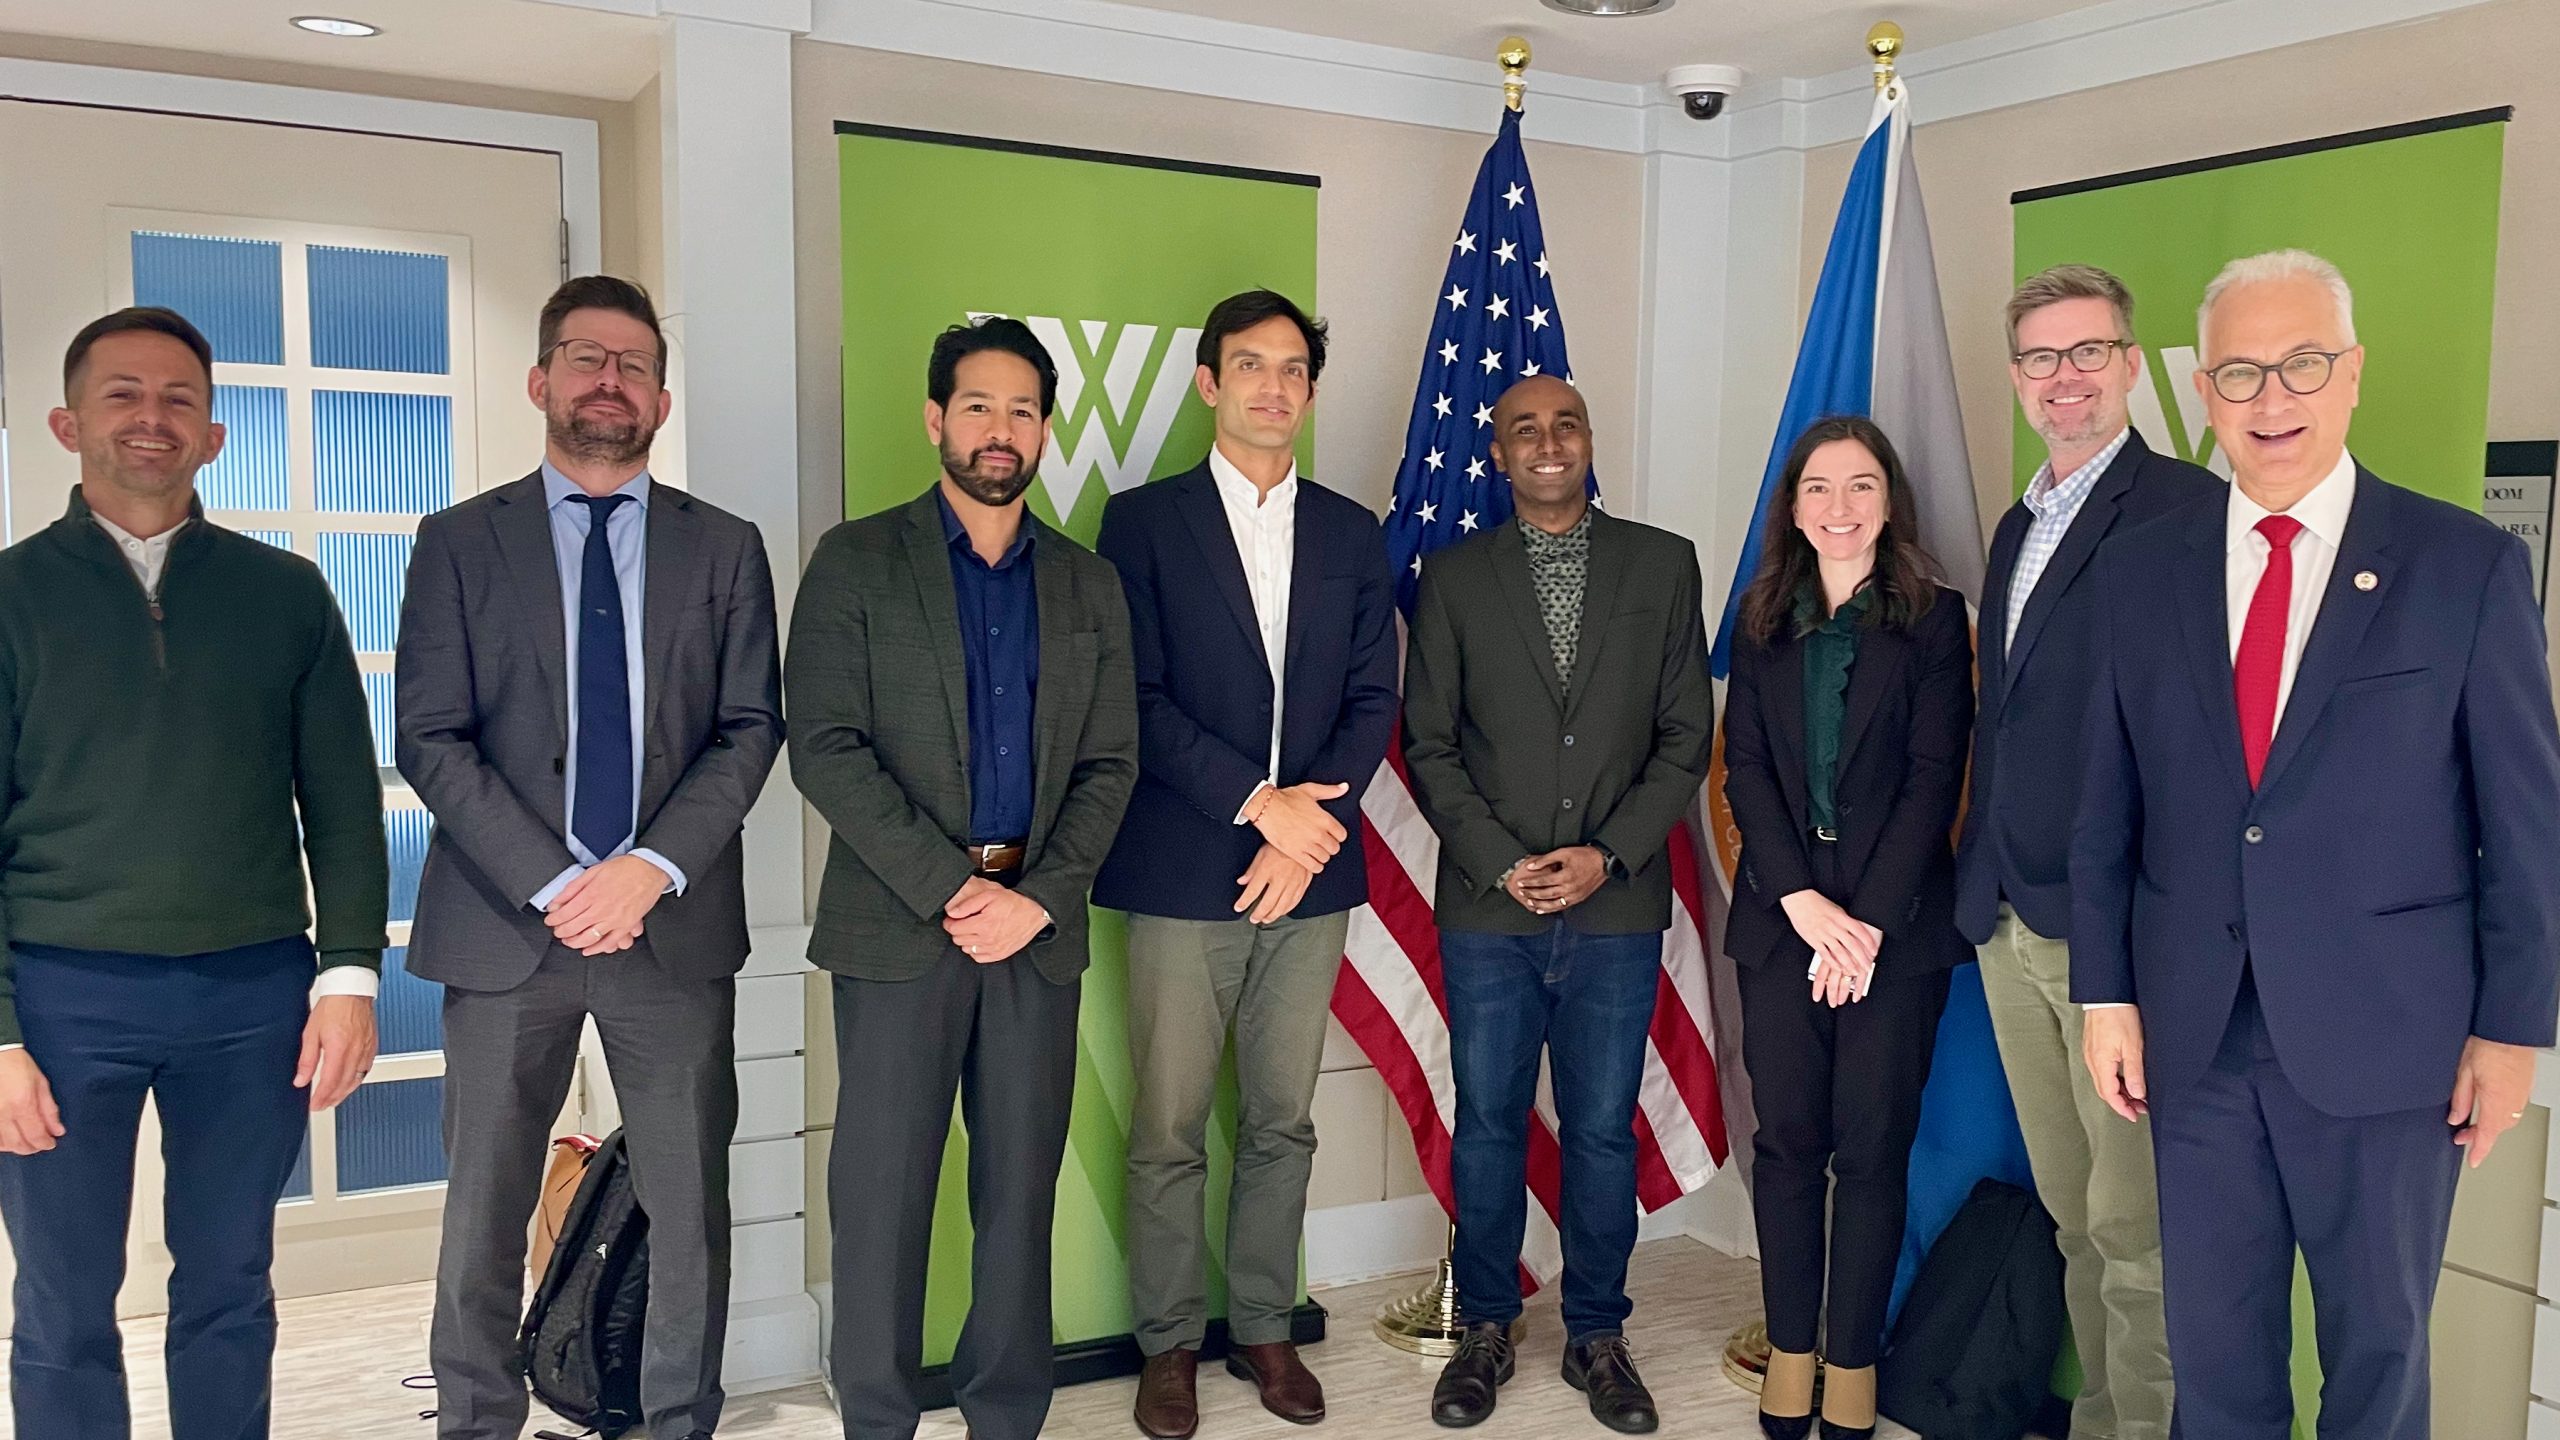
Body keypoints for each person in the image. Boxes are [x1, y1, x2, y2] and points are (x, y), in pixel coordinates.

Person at [2072, 249, 2560, 1439]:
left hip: (2389, 1042)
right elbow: (2104, 804)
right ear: (2204, 392)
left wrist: (2511, 1032)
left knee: (2377, 1355)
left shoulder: (2463, 567)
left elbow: (2526, 824)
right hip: (2193, 1035)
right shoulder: (2139, 571)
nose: (2269, 399)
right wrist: (2105, 995)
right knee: (2215, 1355)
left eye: (2300, 364)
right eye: (2237, 372)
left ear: (2351, 377)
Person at [398, 275, 783, 1440]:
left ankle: (676, 1421)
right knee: (482, 1212)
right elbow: (428, 733)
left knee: (688, 1210)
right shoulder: (460, 541)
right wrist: (561, 880)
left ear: (660, 397)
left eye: (632, 364)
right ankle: (476, 1419)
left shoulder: (723, 548)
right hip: (507, 928)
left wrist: (647, 867)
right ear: (541, 381)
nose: (608, 380)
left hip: (667, 929)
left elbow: (749, 727)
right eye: (585, 357)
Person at [0, 306, 386, 1439]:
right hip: (67, 997)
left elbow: (346, 807)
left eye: (178, 398)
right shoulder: (12, 597)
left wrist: (351, 976)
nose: (151, 417)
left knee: (229, 1286)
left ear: (214, 435)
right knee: (63, 1298)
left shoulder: (286, 595)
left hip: (253, 993)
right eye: (122, 394)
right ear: (70, 423)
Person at [788, 317, 1138, 1440]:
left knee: (1019, 1197)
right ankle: (877, 1422)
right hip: (901, 930)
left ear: (1045, 430)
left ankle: (1005, 1418)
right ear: (936, 419)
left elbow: (1110, 763)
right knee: (882, 1201)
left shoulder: (1087, 584)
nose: (1002, 430)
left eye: (1023, 410)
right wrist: (951, 890)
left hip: (1034, 934)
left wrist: (1035, 897)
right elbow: (824, 744)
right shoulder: (856, 559)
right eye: (979, 407)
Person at [1094, 290, 1398, 1440]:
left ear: (1310, 391)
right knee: (1168, 1125)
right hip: (1182, 867)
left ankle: (1264, 1326)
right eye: (1249, 366)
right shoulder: (1142, 524)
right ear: (1208, 383)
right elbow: (1137, 697)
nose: (1273, 387)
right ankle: (1168, 1344)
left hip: (1311, 870)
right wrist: (1255, 806)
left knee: (1283, 1120)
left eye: (1292, 369)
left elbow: (1375, 696)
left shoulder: (1349, 531)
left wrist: (1305, 826)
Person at [1403, 374, 1714, 1436]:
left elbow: (1685, 739)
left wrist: (1606, 856)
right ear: (1495, 453)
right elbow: (1429, 746)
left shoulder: (1662, 564)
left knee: (1598, 1133)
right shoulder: (1448, 579)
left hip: (1614, 909)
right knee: (1487, 1125)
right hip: (1489, 912)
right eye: (1523, 429)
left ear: (1589, 439)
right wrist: (1501, 861)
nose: (1546, 442)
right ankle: (1484, 1326)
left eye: (1564, 423)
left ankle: (1596, 1334)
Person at [1957, 264, 2220, 1440]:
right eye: (2040, 360)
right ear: (2016, 380)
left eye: (2086, 353)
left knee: (2137, 1234)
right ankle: (2102, 1418)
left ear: (2127, 360)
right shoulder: (2021, 519)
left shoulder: (2181, 512)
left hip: (2115, 937)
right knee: (2075, 1218)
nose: (2063, 379)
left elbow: (2195, 743)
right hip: (2009, 918)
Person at [1721, 415, 1973, 1440]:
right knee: (1787, 1145)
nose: (1839, 507)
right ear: (1793, 507)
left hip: (1894, 931)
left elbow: (1932, 779)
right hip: (1784, 924)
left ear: (1889, 501)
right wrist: (1806, 908)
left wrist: (1860, 926)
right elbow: (1741, 772)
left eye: (1860, 486)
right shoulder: (1759, 616)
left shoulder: (1934, 619)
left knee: (1873, 1151)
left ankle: (1855, 1363)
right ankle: (1790, 1351)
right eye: (1818, 488)